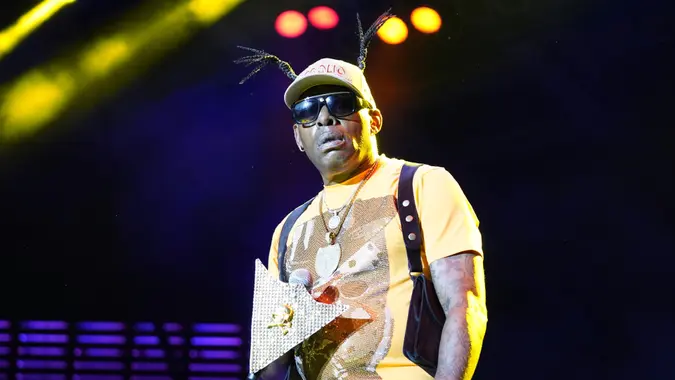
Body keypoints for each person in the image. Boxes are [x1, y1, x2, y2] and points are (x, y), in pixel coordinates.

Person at [236, 10, 487, 380]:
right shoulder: (287, 230)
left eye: (340, 104)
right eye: (307, 111)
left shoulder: (422, 185)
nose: (324, 119)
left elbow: (464, 306)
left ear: (373, 120)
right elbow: (272, 365)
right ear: (297, 137)